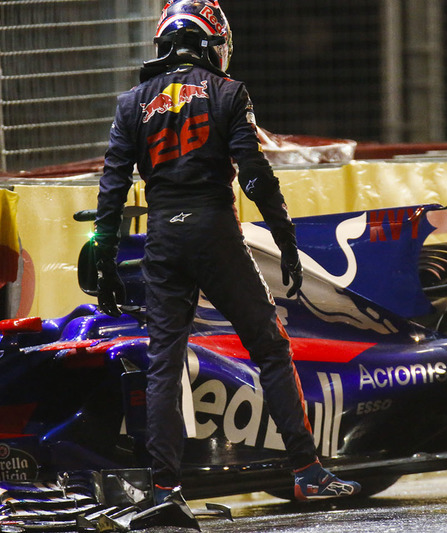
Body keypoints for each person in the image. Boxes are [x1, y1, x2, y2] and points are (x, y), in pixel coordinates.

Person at [94, 0, 360, 505]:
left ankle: (165, 490)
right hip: (215, 231)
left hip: (163, 238)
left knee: (164, 366)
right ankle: (306, 470)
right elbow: (255, 174)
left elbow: (112, 187)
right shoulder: (228, 92)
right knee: (271, 350)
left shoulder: (131, 103)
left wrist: (104, 257)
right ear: (212, 42)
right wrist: (285, 240)